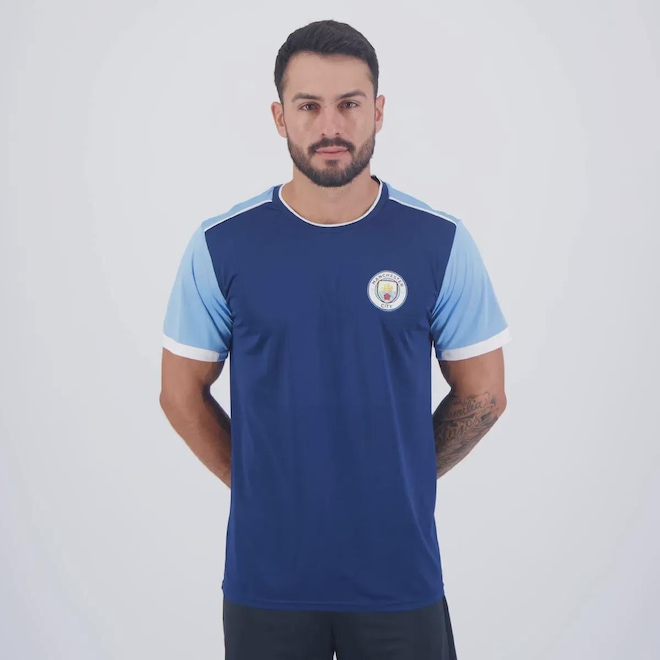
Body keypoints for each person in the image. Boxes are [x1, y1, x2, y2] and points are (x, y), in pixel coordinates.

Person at [160, 18, 510, 660]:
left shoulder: (439, 241)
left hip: (399, 579)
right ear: (279, 116)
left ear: (378, 111)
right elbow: (179, 393)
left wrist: (398, 478)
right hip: (267, 583)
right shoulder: (221, 245)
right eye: (308, 106)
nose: (330, 126)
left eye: (349, 104)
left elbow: (485, 394)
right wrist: (259, 483)